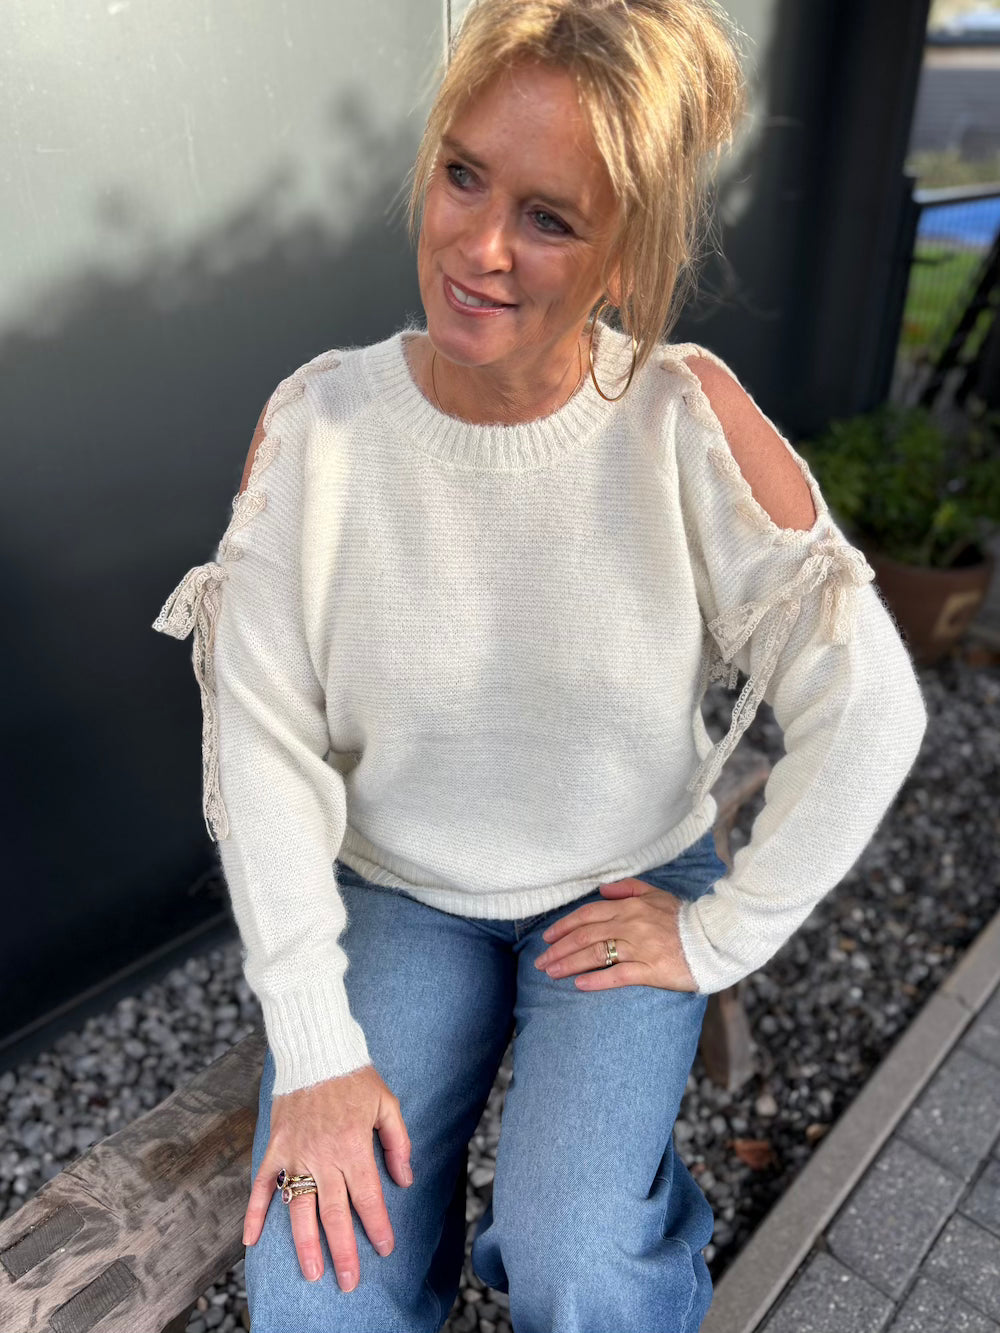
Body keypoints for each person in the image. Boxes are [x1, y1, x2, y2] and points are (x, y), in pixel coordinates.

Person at [152, 1, 928, 1329]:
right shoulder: (321, 426)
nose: (482, 246)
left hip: (622, 883)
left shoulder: (681, 419)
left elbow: (871, 707)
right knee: (317, 1282)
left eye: (551, 218)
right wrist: (317, 1049)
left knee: (580, 1254)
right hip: (401, 890)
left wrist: (719, 934)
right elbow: (261, 749)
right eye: (464, 174)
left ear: (626, 252)